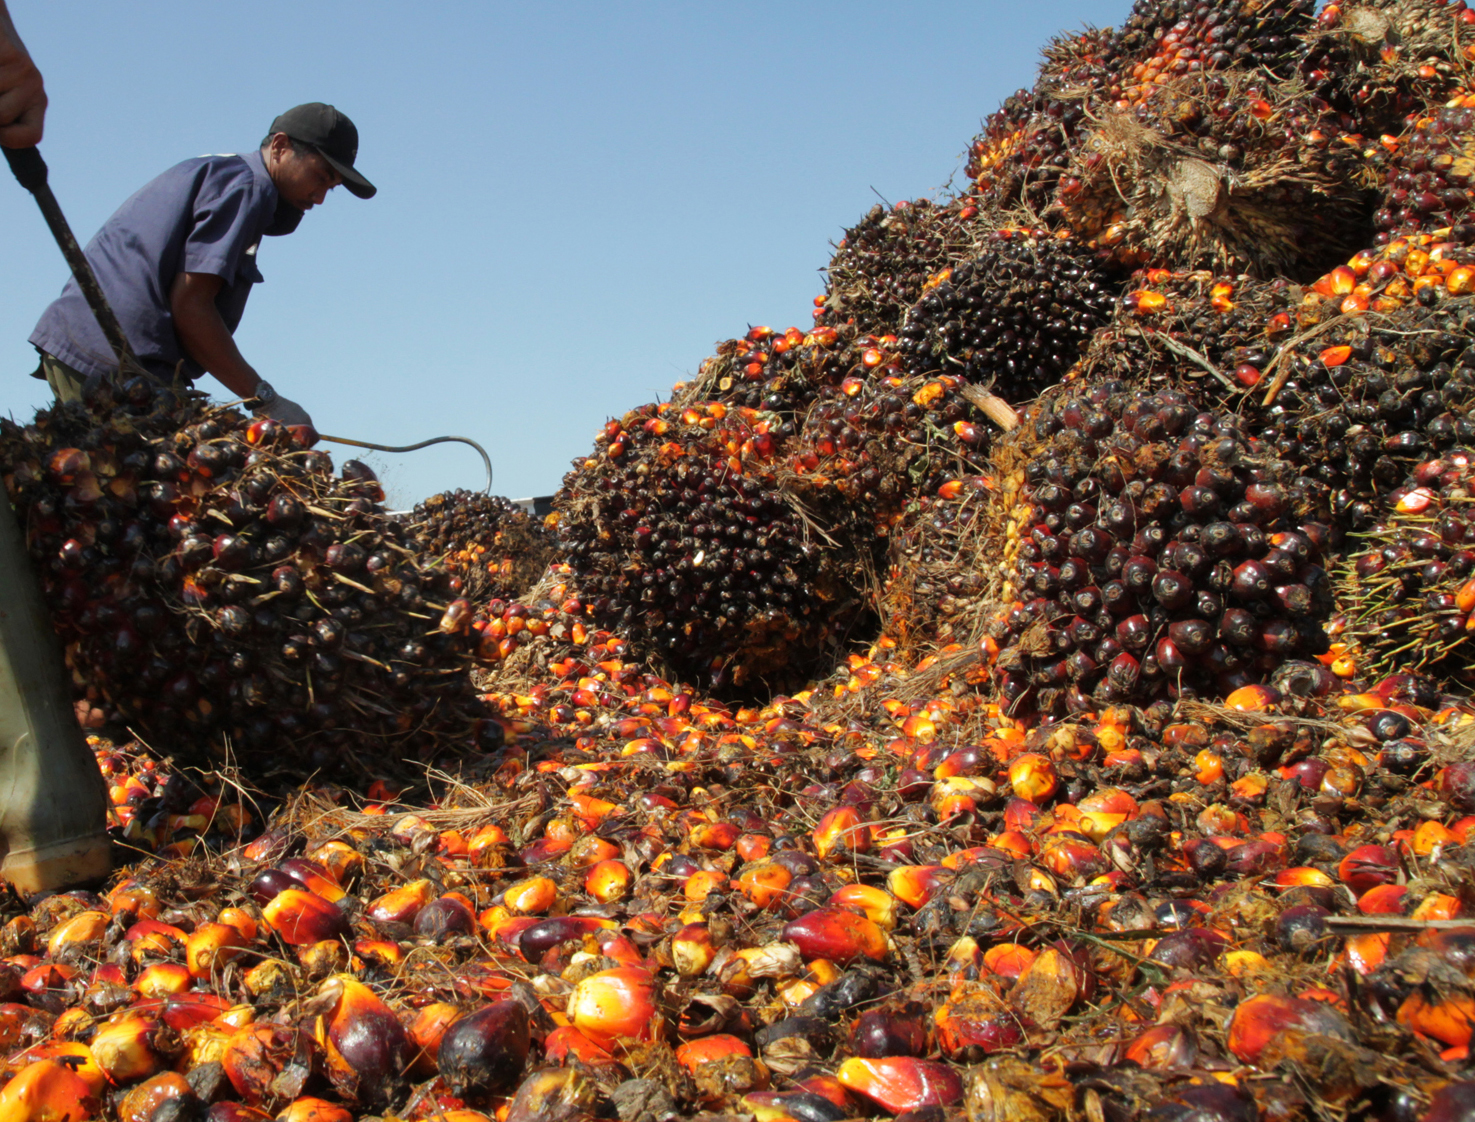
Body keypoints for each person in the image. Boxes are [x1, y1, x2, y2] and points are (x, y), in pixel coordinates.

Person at [28, 101, 376, 431]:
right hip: (114, 356)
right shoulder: (248, 188)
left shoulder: (226, 173)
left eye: (331, 188)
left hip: (95, 346)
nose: (319, 198)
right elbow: (191, 306)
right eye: (320, 176)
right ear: (281, 146)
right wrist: (265, 399)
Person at [0, 0, 112, 893]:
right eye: (322, 177)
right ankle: (47, 793)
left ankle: (49, 797)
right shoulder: (236, 191)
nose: (320, 196)